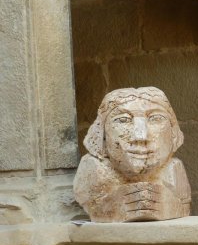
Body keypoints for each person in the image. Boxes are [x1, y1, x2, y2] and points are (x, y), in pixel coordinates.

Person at [73, 87, 191, 222]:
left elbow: (183, 206)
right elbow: (94, 204)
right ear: (102, 134)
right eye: (123, 120)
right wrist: (107, 206)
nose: (140, 136)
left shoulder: (174, 169)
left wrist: (172, 204)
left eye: (155, 118)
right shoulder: (92, 170)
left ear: (174, 134)